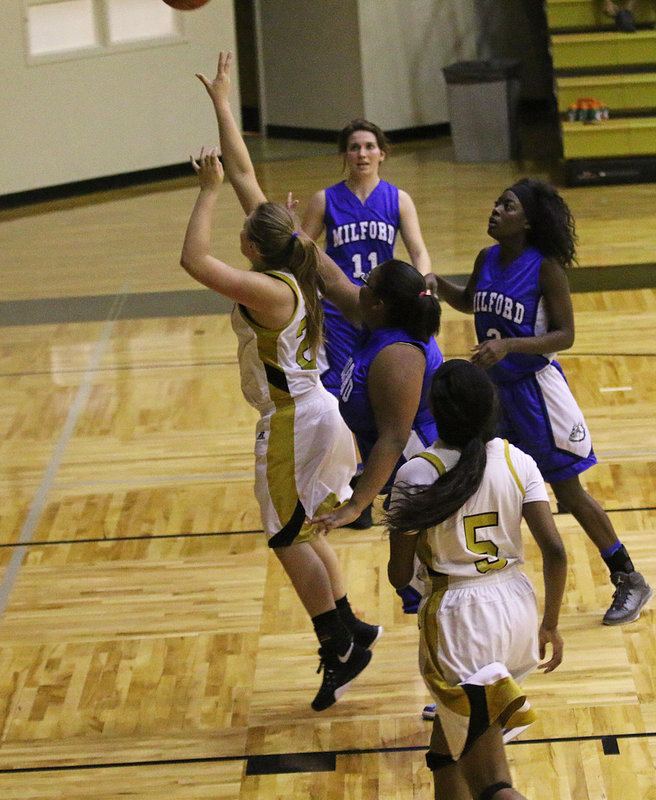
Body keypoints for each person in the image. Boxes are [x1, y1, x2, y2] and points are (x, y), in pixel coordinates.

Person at [180, 51, 381, 713]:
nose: (240, 220)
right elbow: (242, 167)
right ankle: (351, 625)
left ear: (258, 248)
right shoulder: (292, 253)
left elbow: (194, 259)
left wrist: (206, 193)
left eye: (243, 225)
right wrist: (223, 99)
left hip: (296, 420)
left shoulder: (268, 291)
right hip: (318, 414)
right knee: (310, 530)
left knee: (286, 536)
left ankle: (336, 645)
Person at [431, 177, 652, 625]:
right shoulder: (486, 258)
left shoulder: (545, 267)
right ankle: (482, 582)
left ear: (528, 221)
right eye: (496, 202)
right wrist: (437, 284)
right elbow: (471, 302)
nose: (495, 209)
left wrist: (510, 346)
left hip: (536, 393)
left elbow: (566, 335)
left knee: (568, 491)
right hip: (494, 396)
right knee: (479, 478)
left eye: (507, 205)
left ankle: (628, 578)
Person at [387, 358, 567, 800]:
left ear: (435, 411)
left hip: (460, 622)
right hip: (517, 612)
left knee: (493, 786)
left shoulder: (417, 473)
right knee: (446, 755)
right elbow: (556, 552)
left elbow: (397, 575)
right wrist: (551, 624)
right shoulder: (516, 459)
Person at [303, 120, 435, 530]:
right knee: (346, 403)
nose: (362, 154)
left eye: (369, 147)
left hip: (386, 312)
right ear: (344, 155)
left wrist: (423, 285)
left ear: (382, 153)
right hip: (342, 313)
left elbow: (419, 252)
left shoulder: (398, 199)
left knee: (386, 405)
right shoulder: (324, 200)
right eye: (354, 147)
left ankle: (393, 479)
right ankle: (354, 481)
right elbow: (303, 252)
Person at [309, 258, 443, 536]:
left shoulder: (398, 356)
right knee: (408, 573)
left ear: (379, 303)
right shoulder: (379, 322)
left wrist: (356, 506)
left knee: (422, 572)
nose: (360, 284)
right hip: (405, 476)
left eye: (367, 280)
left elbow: (394, 438)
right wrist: (291, 230)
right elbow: (334, 282)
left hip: (425, 477)